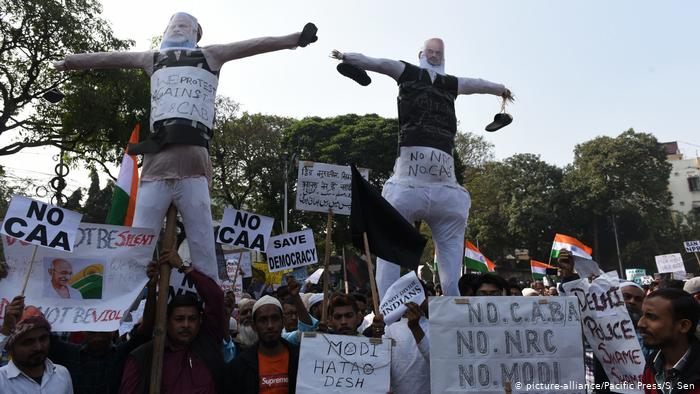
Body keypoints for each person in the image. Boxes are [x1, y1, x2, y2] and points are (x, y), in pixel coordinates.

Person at [53, 13, 318, 280]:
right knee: (136, 247)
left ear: (196, 34)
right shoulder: (152, 58)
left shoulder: (211, 56)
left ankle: (209, 306)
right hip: (156, 168)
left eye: (186, 27)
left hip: (194, 169)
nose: (179, 29)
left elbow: (253, 45)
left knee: (202, 245)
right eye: (175, 25)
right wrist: (69, 63)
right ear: (166, 30)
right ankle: (122, 312)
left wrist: (295, 39)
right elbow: (110, 58)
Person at [332, 38, 512, 297]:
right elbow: (379, 63)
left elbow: (476, 84)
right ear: (421, 54)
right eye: (431, 52)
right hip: (420, 187)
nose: (435, 55)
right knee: (394, 255)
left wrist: (500, 90)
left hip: (433, 189)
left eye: (439, 52)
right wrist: (348, 57)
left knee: (432, 263)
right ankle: (389, 312)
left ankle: (422, 309)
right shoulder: (408, 72)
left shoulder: (450, 83)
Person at [118, 250, 225, 393]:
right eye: (179, 319)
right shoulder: (145, 357)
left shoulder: (208, 344)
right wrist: (151, 288)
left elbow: (216, 298)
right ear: (167, 321)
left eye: (192, 319)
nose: (186, 325)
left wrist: (184, 268)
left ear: (200, 320)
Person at [48, 262, 157, 394]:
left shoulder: (122, 353)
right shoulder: (68, 354)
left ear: (113, 330)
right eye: (93, 331)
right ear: (82, 329)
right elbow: (42, 336)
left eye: (104, 330)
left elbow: (146, 330)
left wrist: (152, 290)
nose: (98, 336)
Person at [227, 295, 299, 393]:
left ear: (283, 322)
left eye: (275, 318)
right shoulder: (240, 365)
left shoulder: (299, 359)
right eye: (263, 320)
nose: (270, 325)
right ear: (254, 325)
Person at [0, 299, 73, 393]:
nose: (38, 347)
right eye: (28, 342)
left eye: (43, 338)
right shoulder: (2, 380)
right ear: (10, 347)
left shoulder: (62, 374)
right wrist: (5, 331)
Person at [638, 288, 700, 393]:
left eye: (651, 317)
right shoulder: (651, 366)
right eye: (642, 315)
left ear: (683, 326)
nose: (640, 324)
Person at [383, 298, 430, 394]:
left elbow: (437, 362)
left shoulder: (437, 327)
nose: (413, 302)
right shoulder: (390, 329)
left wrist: (415, 328)